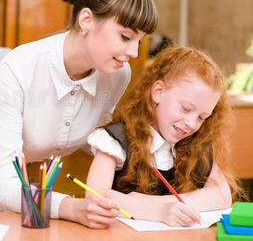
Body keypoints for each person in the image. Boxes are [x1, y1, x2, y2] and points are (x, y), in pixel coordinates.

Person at [0, 0, 158, 228]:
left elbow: (94, 141)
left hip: (49, 194)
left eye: (139, 41)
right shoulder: (19, 68)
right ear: (86, 20)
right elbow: (2, 184)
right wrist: (72, 207)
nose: (134, 53)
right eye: (126, 37)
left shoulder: (117, 74)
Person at [86, 46, 243, 227]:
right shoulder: (116, 139)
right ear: (158, 92)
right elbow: (95, 197)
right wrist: (160, 211)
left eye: (202, 117)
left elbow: (222, 195)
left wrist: (170, 205)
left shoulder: (197, 141)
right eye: (185, 108)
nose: (192, 124)